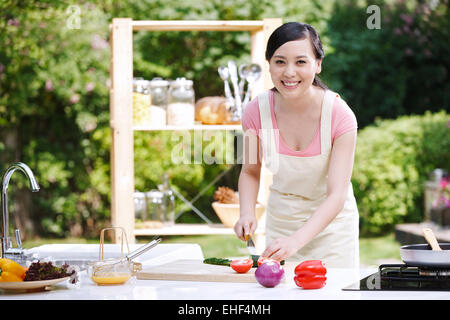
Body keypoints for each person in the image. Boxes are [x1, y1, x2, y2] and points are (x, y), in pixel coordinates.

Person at [234, 22, 359, 268]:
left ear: (318, 64)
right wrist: (247, 212)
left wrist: (297, 241)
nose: (289, 72)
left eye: (301, 62)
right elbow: (250, 171)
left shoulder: (339, 115)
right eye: (280, 62)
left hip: (333, 233)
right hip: (281, 228)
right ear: (268, 64)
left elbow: (337, 195)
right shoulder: (255, 112)